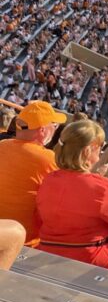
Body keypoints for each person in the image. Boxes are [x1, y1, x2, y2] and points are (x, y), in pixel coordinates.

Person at [35, 114, 108, 269]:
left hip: (47, 253)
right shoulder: (105, 187)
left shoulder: (48, 179)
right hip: (90, 262)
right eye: (100, 145)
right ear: (88, 151)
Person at [0, 100, 64, 241]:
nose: (55, 129)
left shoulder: (2, 145)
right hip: (25, 241)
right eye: (54, 125)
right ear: (42, 130)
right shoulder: (48, 159)